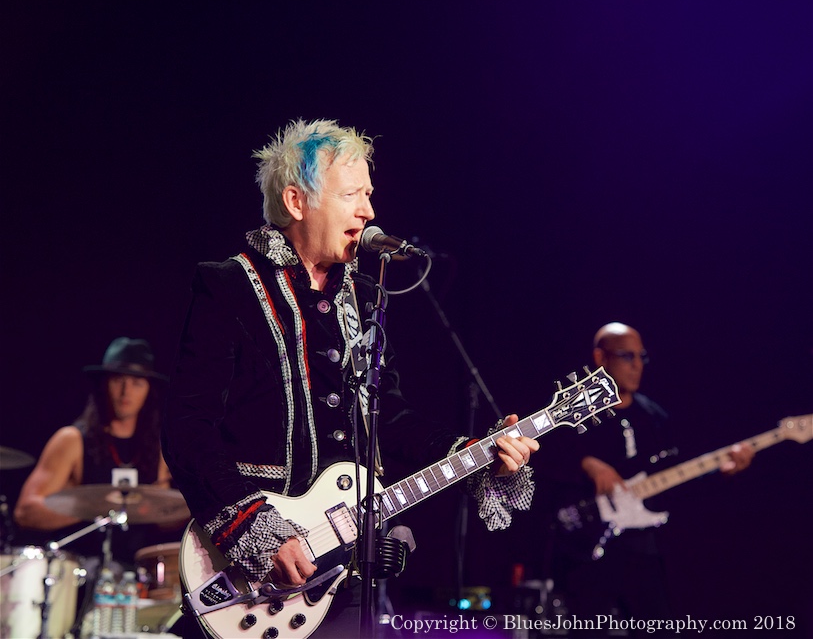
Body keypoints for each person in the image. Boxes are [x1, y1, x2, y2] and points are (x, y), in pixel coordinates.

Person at [162, 118, 539, 638]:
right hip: (253, 572)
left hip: (345, 574)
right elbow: (187, 427)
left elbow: (393, 418)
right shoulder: (230, 286)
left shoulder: (361, 298)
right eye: (352, 195)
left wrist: (474, 451)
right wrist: (254, 529)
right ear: (296, 202)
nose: (369, 211)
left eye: (369, 194)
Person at [538, 322, 753, 635]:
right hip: (588, 546)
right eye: (627, 356)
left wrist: (721, 471)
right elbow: (543, 459)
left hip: (643, 548)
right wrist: (588, 463)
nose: (637, 365)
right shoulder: (574, 411)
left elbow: (675, 478)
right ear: (600, 358)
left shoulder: (654, 415)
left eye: (642, 357)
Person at [14, 336, 181, 566]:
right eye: (118, 380)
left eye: (137, 382)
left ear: (148, 389)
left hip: (138, 571)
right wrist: (94, 506)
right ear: (103, 383)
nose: (126, 391)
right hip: (81, 568)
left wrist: (190, 508)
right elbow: (25, 512)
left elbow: (163, 517)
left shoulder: (158, 447)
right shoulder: (72, 439)